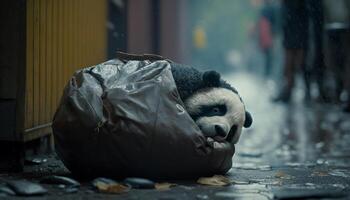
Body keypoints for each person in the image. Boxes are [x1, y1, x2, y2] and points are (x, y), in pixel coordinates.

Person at [274, 0, 309, 102]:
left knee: (299, 64)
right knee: (290, 64)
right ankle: (289, 90)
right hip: (292, 30)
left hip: (298, 30)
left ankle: (299, 90)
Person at [323, 0, 350, 111]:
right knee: (337, 61)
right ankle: (340, 90)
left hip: (342, 27)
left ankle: (342, 91)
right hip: (334, 28)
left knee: (341, 61)